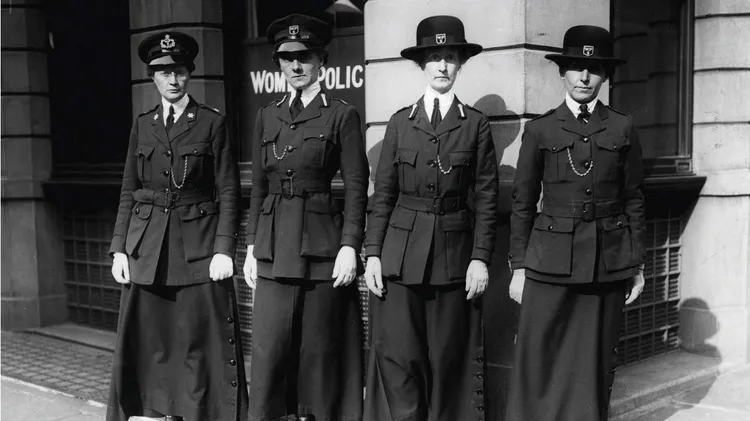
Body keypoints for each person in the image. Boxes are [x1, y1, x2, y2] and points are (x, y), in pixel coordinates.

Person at [506, 25, 646, 421]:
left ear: (605, 76)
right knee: (539, 357)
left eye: (594, 69)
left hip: (607, 262)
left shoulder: (622, 126)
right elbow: (522, 203)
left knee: (594, 361)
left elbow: (634, 198)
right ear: (562, 72)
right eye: (576, 68)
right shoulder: (541, 129)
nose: (584, 77)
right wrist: (519, 268)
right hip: (548, 263)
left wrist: (636, 264)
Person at [362, 15, 498, 421]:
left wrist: (480, 258)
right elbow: (383, 195)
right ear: (422, 65)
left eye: (450, 58)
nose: (442, 66)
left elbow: (487, 197)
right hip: (400, 258)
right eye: (435, 58)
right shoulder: (400, 123)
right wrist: (372, 253)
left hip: (453, 260)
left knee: (448, 358)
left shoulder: (475, 124)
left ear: (460, 65)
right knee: (399, 356)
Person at [107, 32, 246, 421]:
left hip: (197, 249)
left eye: (180, 71)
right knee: (152, 343)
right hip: (147, 250)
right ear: (152, 77)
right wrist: (119, 248)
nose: (173, 79)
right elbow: (129, 190)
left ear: (189, 74)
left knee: (195, 343)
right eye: (164, 72)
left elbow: (229, 191)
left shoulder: (211, 123)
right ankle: (155, 413)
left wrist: (224, 249)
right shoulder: (143, 125)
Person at [242, 14, 369, 421]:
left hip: (320, 247)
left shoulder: (341, 115)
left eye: (305, 57)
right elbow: (258, 187)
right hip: (273, 247)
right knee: (270, 348)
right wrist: (250, 246)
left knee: (320, 350)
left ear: (321, 61)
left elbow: (356, 186)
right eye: (287, 59)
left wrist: (350, 246)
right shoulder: (267, 115)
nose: (296, 66)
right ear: (279, 64)